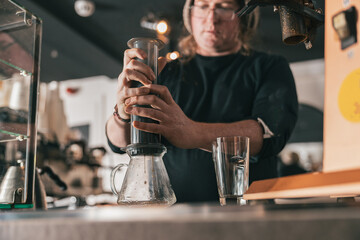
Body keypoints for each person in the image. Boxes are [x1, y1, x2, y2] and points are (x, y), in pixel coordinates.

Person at [106, 0, 298, 203]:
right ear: (189, 15)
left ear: (244, 16)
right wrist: (123, 111)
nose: (212, 17)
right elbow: (120, 143)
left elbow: (268, 134)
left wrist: (192, 132)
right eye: (203, 5)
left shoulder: (269, 67)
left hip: (248, 214)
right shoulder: (167, 71)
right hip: (174, 216)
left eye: (224, 6)